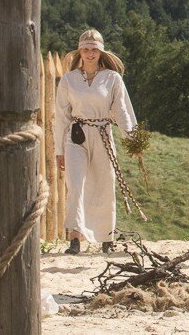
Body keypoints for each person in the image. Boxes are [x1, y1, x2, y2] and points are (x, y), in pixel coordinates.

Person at [54, 29, 138, 255]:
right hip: (76, 135)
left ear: (101, 52)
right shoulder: (69, 80)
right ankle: (74, 237)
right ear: (80, 51)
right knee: (76, 184)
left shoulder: (112, 78)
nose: (90, 53)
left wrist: (133, 139)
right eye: (86, 49)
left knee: (104, 184)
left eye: (94, 49)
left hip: (102, 134)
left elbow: (122, 111)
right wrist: (59, 150)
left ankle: (106, 237)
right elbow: (61, 116)